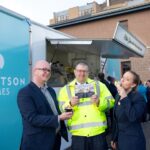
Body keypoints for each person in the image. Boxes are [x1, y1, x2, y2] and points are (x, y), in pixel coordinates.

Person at [17, 60, 73, 150]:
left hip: (54, 139)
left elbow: (54, 110)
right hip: (37, 143)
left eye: (49, 70)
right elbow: (32, 118)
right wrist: (59, 118)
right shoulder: (25, 92)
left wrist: (68, 106)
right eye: (44, 69)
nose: (47, 72)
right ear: (35, 71)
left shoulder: (51, 90)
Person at [58, 62, 115, 150]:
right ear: (75, 72)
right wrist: (70, 104)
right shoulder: (65, 89)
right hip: (78, 135)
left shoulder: (99, 86)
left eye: (85, 71)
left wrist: (99, 102)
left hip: (98, 133)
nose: (82, 73)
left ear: (88, 73)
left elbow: (111, 102)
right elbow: (61, 109)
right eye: (79, 71)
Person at [111, 71, 146, 150]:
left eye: (127, 79)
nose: (122, 80)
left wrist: (123, 95)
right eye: (123, 77)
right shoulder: (118, 96)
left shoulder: (138, 98)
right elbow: (116, 120)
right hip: (120, 140)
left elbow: (132, 116)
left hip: (133, 142)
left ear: (133, 84)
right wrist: (114, 138)